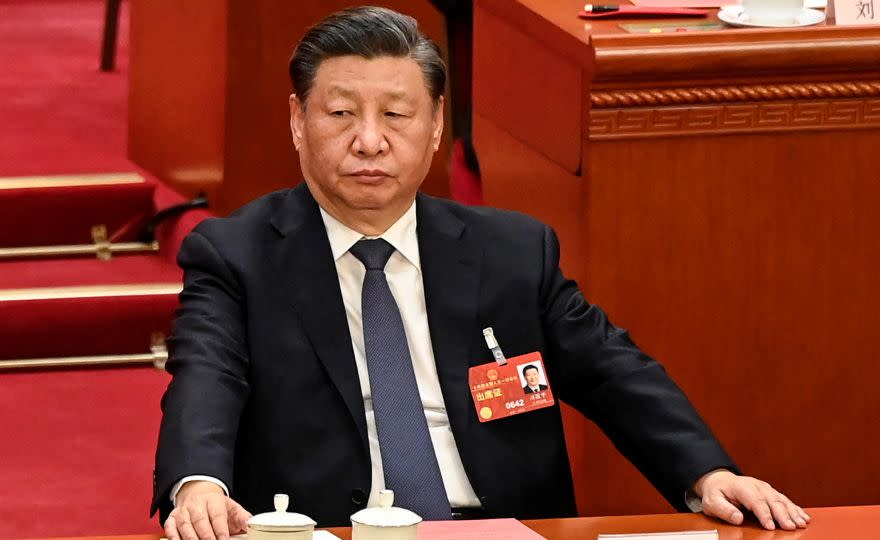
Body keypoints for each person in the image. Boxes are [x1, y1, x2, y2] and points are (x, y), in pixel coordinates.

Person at [154, 7, 810, 540]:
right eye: (341, 113)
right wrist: (199, 484)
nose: (370, 141)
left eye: (397, 115)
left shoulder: (512, 250)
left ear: (437, 127)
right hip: (335, 530)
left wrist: (706, 472)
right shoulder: (236, 254)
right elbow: (206, 377)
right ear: (298, 122)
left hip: (505, 528)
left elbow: (614, 371)